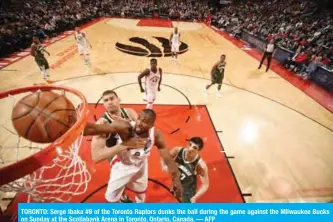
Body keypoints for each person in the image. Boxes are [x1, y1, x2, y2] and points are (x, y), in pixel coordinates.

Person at [85, 109, 182, 203]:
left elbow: (168, 159)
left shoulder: (156, 136)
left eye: (145, 122)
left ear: (151, 125)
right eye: (139, 118)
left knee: (141, 192)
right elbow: (93, 129)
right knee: (111, 197)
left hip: (141, 165)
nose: (139, 123)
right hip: (123, 165)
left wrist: (176, 179)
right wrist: (76, 126)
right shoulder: (124, 127)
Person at [94, 90, 138, 202]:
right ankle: (122, 197)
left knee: (135, 179)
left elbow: (144, 131)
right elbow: (96, 157)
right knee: (119, 182)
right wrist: (123, 145)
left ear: (119, 100)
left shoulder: (129, 112)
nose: (109, 102)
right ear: (103, 105)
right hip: (117, 157)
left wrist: (127, 123)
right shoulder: (102, 123)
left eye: (112, 98)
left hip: (133, 151)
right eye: (106, 100)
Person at [161, 137, 209, 203]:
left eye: (195, 148)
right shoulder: (178, 150)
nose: (190, 148)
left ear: (198, 151)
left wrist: (195, 197)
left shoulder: (200, 166)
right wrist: (164, 166)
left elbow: (205, 185)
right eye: (190, 144)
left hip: (188, 191)